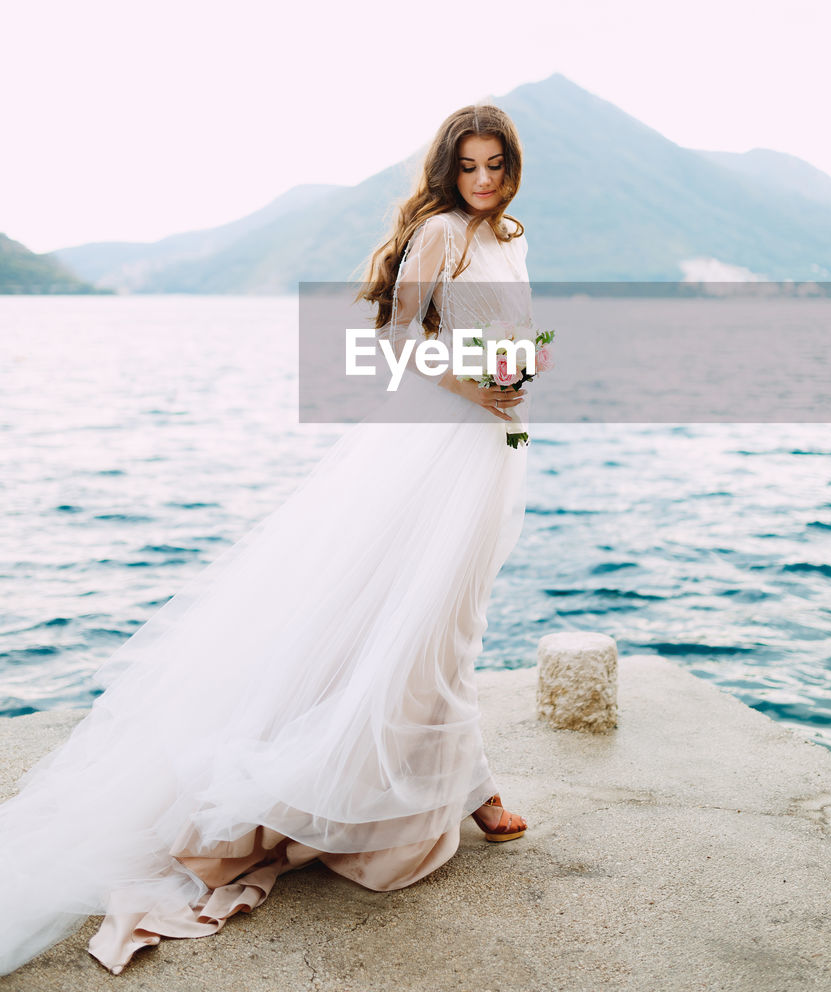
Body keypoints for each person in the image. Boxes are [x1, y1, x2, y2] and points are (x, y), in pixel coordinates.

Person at [0, 102, 534, 977]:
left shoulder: (511, 235)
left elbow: (506, 331)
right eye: (469, 167)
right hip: (435, 438)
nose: (482, 182)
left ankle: (460, 779)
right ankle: (467, 790)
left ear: (512, 167)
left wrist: (516, 372)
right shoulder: (441, 231)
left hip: (489, 449)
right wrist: (477, 389)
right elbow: (394, 339)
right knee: (415, 617)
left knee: (456, 616)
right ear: (448, 171)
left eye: (494, 166)